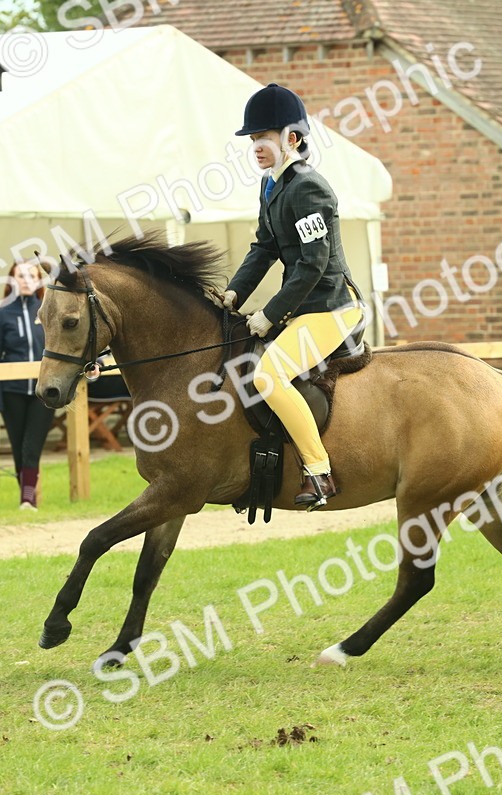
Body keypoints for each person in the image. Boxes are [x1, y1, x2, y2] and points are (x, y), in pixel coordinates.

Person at [214, 83, 366, 510]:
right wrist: (235, 292)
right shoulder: (270, 185)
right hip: (302, 306)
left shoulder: (309, 188)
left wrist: (269, 313)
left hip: (332, 306)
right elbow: (264, 247)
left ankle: (319, 473)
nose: (256, 147)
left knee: (267, 376)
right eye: (253, 139)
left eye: (263, 138)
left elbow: (313, 266)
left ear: (291, 139)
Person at [0, 260, 54, 511]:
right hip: (12, 392)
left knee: (31, 447)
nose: (25, 280)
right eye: (20, 275)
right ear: (12, 281)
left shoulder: (47, 310)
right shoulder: (3, 314)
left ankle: (28, 499)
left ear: (38, 280)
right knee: (18, 448)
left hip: (42, 393)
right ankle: (26, 497)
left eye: (31, 275)